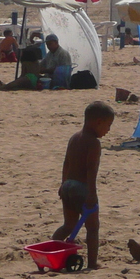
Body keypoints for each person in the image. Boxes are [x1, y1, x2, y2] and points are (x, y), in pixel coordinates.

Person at [53, 101, 115, 270]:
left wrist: (62, 183)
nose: (108, 130)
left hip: (67, 186)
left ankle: (52, 250)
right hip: (81, 188)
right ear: (98, 122)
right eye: (108, 126)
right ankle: (93, 263)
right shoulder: (93, 143)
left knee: (68, 225)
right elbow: (91, 169)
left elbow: (66, 163)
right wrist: (92, 194)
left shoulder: (74, 137)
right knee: (93, 227)